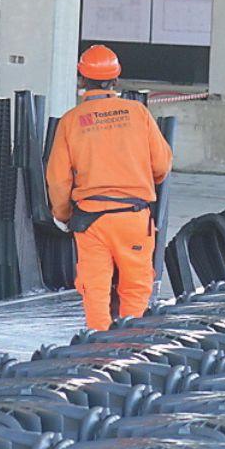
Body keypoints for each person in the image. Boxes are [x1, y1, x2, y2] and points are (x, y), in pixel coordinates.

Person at [46, 45, 173, 331]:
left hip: (92, 221)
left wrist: (64, 215)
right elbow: (162, 165)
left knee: (95, 289)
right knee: (137, 287)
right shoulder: (137, 113)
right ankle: (132, 350)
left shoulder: (70, 122)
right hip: (133, 216)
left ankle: (96, 349)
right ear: (115, 80)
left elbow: (58, 179)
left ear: (81, 79)